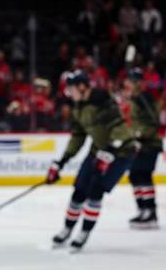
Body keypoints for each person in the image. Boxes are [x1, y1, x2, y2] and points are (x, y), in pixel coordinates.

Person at [45, 70, 136, 249]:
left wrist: (110, 151)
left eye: (71, 89)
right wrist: (62, 161)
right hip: (98, 150)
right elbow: (78, 136)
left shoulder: (102, 100)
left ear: (82, 86)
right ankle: (67, 229)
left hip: (121, 152)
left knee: (96, 190)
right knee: (79, 190)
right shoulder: (77, 107)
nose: (68, 93)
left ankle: (84, 231)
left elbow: (119, 129)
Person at [122, 68, 162, 229]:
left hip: (150, 143)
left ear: (138, 83)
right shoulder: (135, 98)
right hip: (139, 143)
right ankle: (142, 209)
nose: (128, 84)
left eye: (131, 81)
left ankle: (150, 212)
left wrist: (140, 134)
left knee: (143, 174)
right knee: (134, 175)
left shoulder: (144, 97)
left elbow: (154, 120)